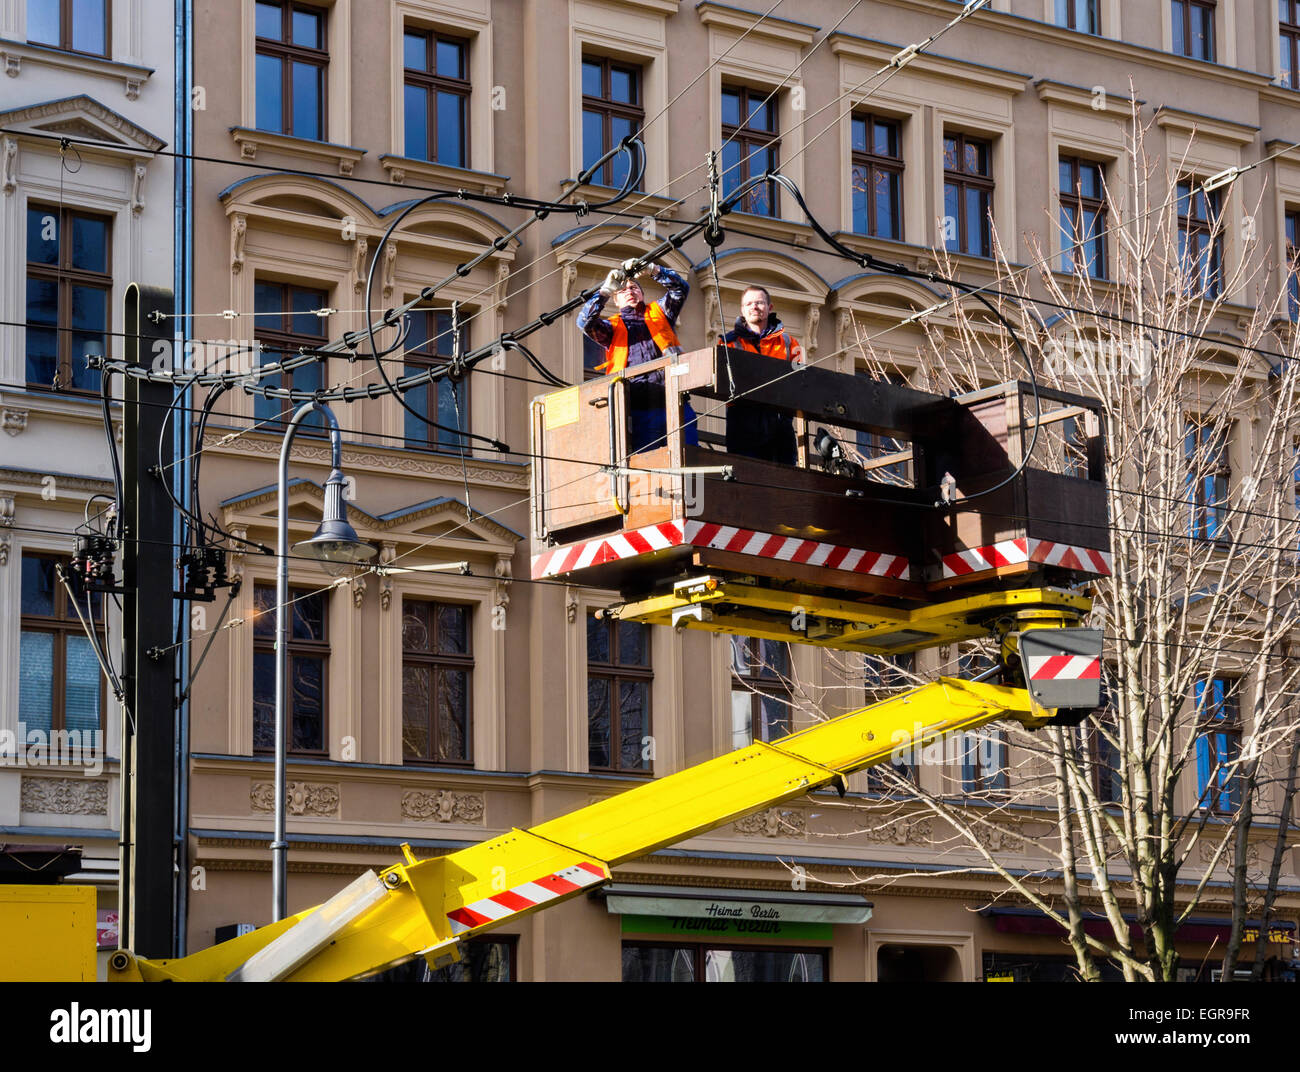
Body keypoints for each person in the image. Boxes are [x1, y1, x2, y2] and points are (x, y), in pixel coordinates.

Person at [578, 262, 699, 455]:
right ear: (616, 301)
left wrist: (653, 269)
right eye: (623, 290)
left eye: (634, 287)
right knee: (648, 464)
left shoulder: (660, 312)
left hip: (675, 399)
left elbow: (680, 288)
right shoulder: (611, 327)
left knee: (689, 456)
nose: (629, 291)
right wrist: (605, 292)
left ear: (642, 294)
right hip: (639, 408)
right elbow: (584, 323)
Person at [723, 285, 804, 465]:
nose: (755, 307)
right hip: (742, 418)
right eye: (749, 303)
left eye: (759, 302)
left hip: (779, 420)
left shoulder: (789, 342)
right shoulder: (728, 342)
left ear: (770, 307)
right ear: (742, 310)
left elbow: (801, 380)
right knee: (746, 476)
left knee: (783, 479)